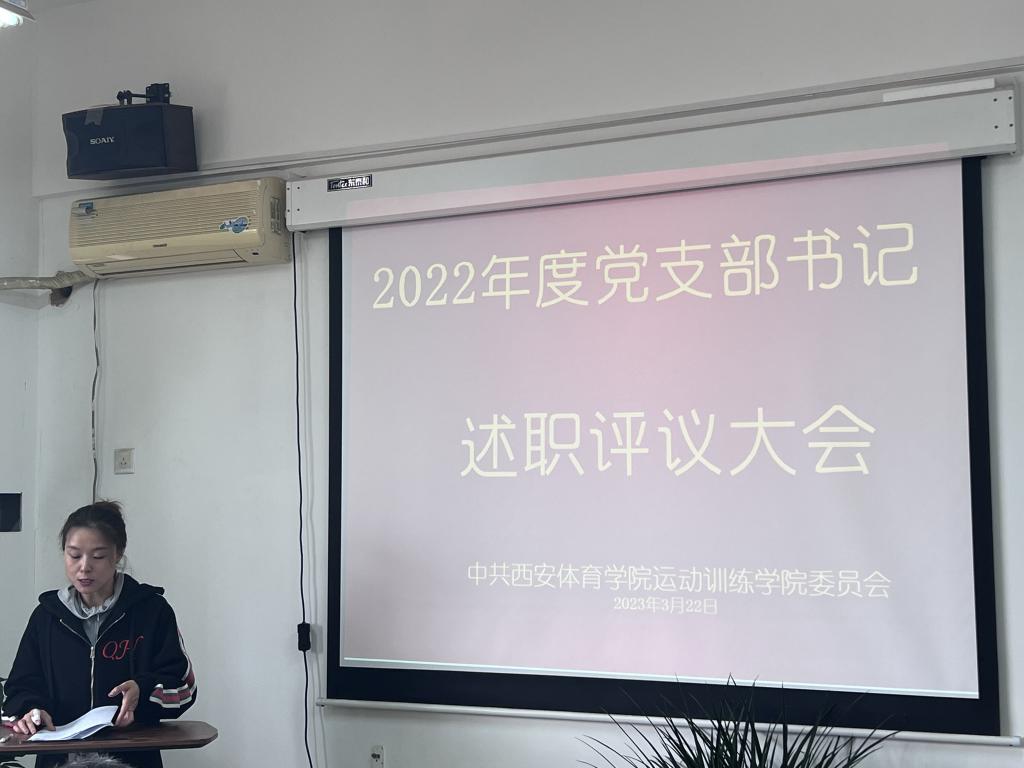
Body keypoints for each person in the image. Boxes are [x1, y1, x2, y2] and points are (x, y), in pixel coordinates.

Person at [2, 501, 196, 768]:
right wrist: (30, 710)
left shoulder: (152, 611)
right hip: (60, 761)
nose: (84, 567)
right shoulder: (46, 617)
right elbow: (19, 689)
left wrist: (142, 692)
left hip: (132, 759)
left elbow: (184, 688)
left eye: (98, 556)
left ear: (118, 554)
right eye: (74, 555)